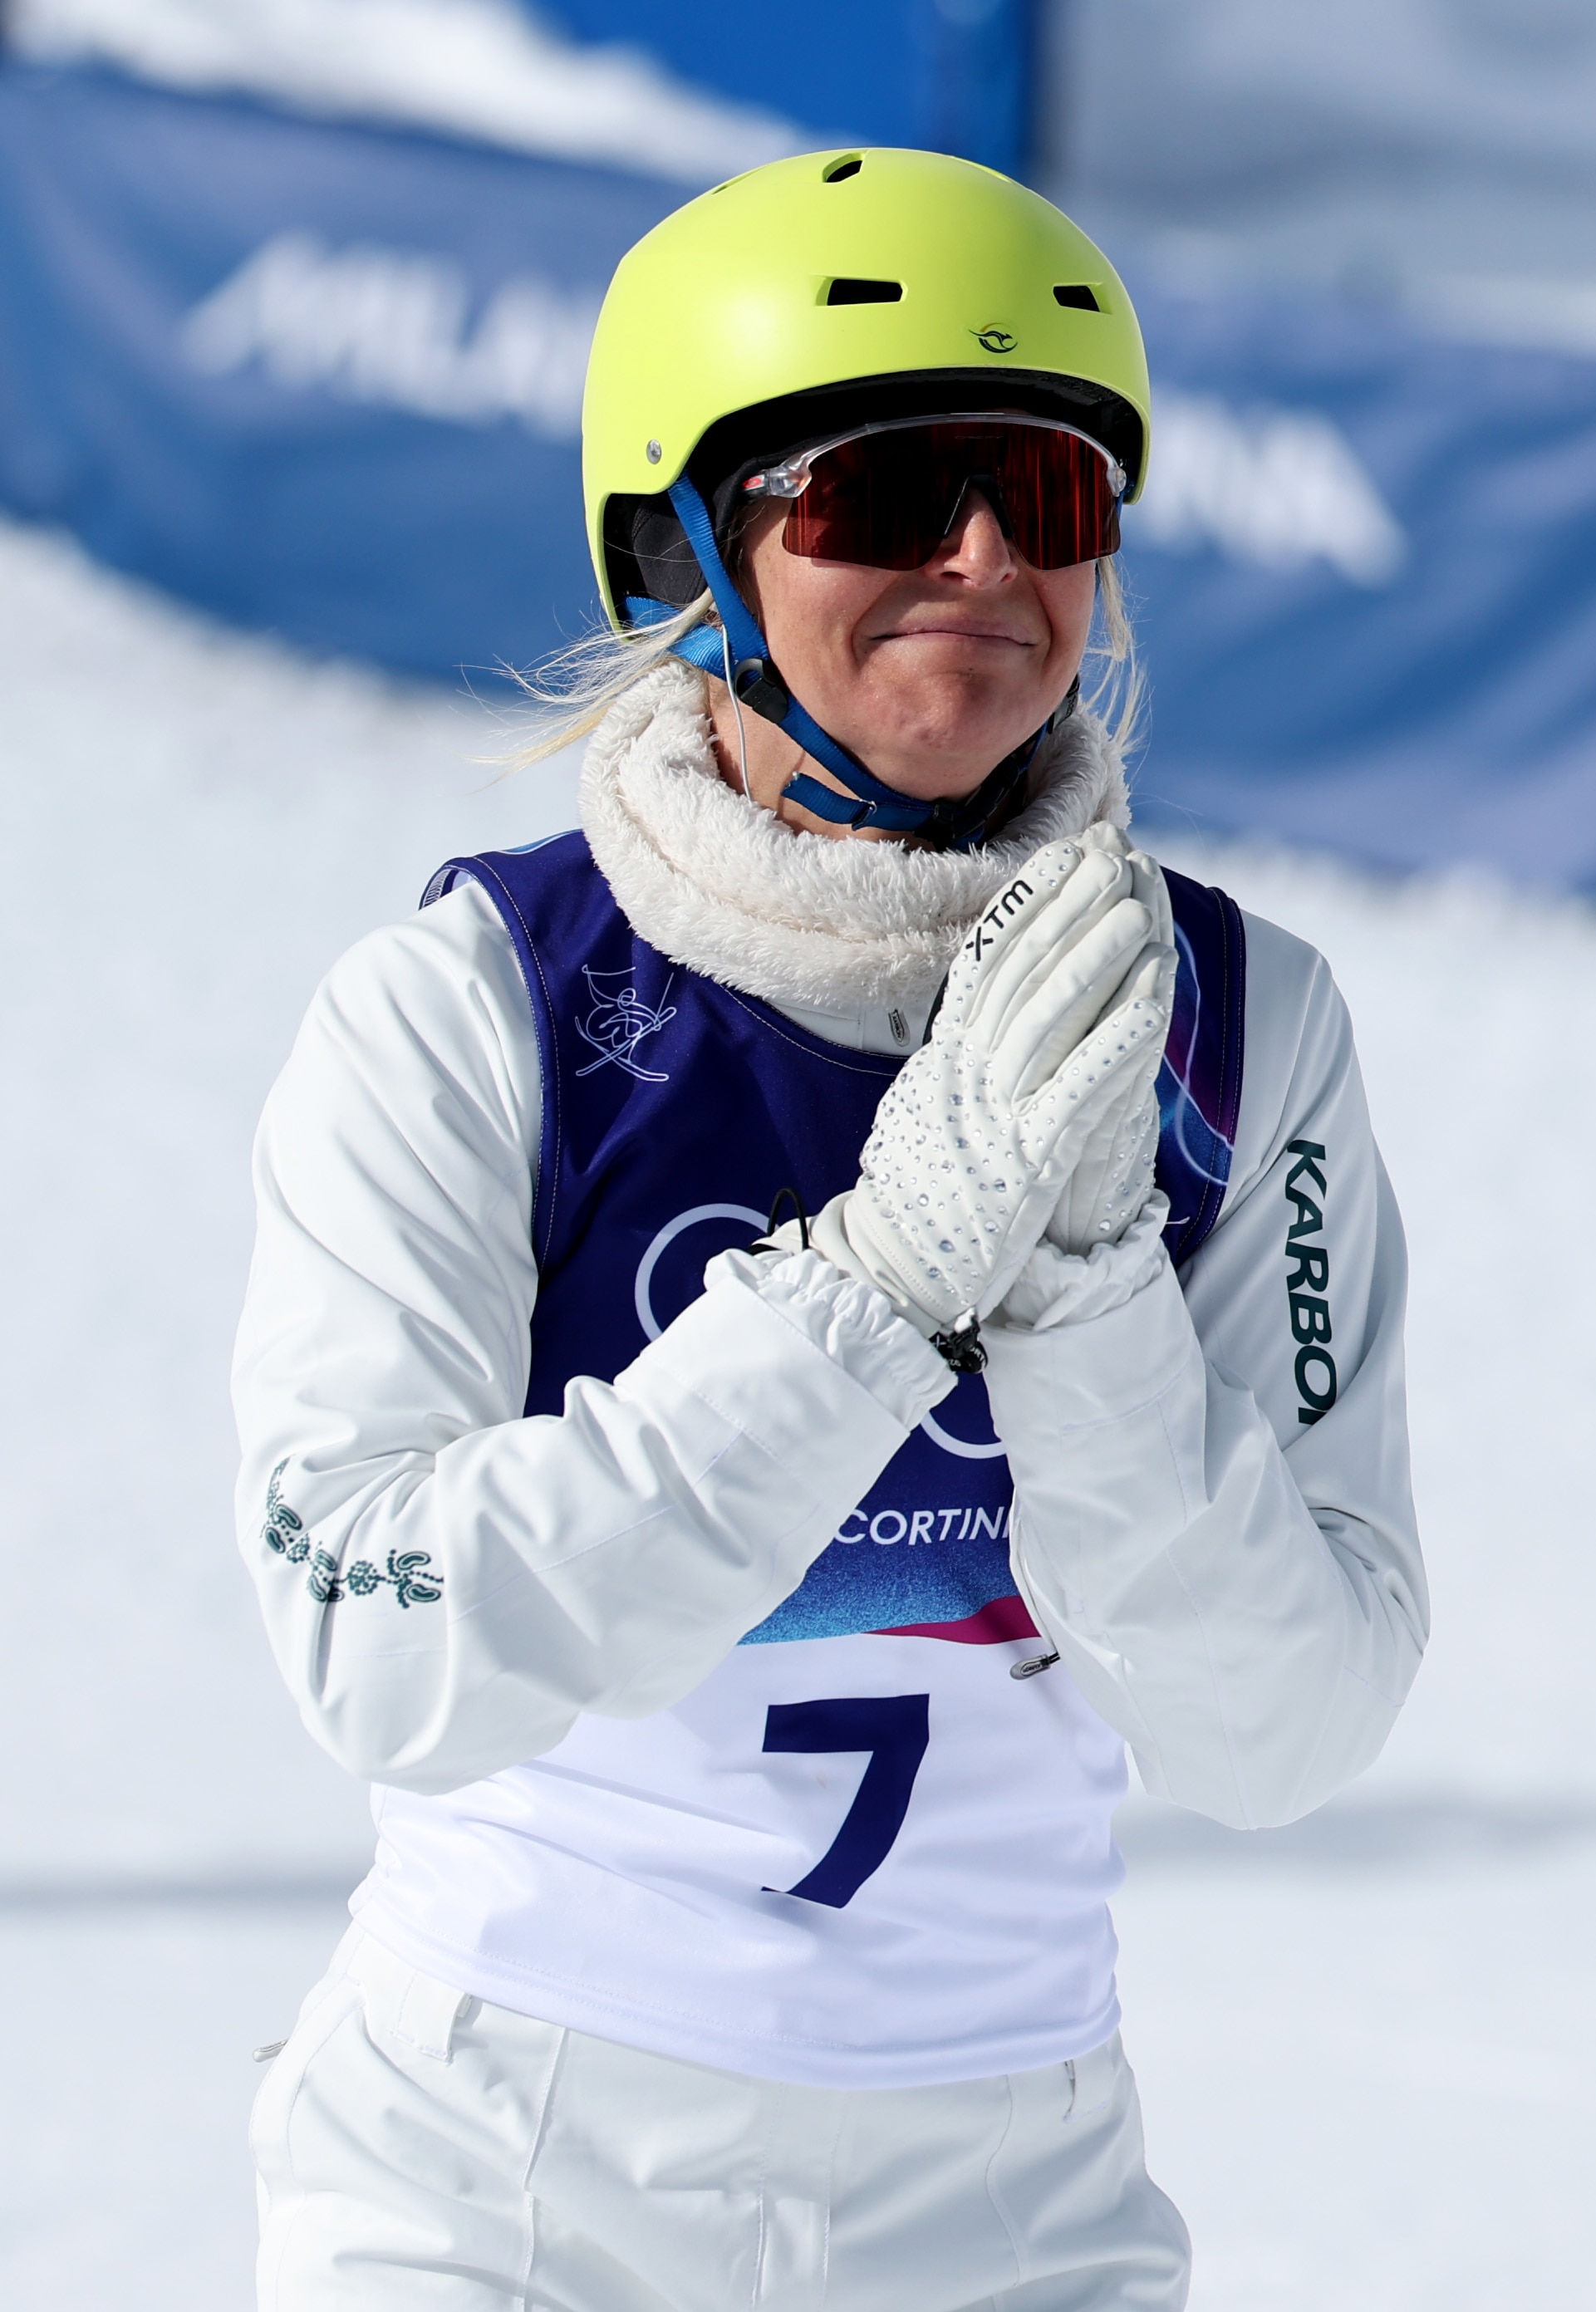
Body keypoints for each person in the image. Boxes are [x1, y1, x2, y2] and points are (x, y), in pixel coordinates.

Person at [234, 148, 1427, 2311]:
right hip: (501, 2178)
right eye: (880, 492)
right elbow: (379, 1649)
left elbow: (1288, 1725)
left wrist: (1078, 1298)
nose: (981, 560)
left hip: (1010, 2203)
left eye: (1048, 493)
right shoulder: (470, 1009)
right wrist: (871, 1293)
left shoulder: (1237, 1030)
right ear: (678, 548)